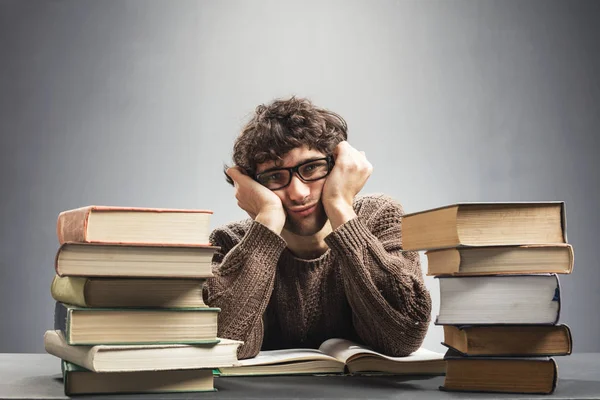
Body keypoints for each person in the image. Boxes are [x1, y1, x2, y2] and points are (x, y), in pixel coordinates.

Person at [203, 97, 431, 359]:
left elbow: (404, 336)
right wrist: (267, 222)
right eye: (275, 176)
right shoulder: (228, 241)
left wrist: (340, 205)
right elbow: (227, 347)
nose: (298, 193)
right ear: (253, 187)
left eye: (311, 168)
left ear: (338, 167)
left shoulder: (380, 216)